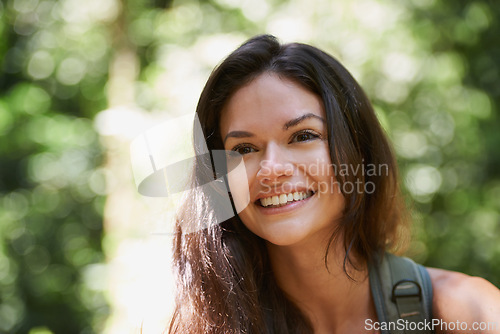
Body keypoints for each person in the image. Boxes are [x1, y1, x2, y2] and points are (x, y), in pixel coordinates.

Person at [168, 35, 500, 333]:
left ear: (359, 150)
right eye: (244, 149)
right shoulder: (198, 324)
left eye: (303, 136)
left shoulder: (468, 312)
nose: (271, 169)